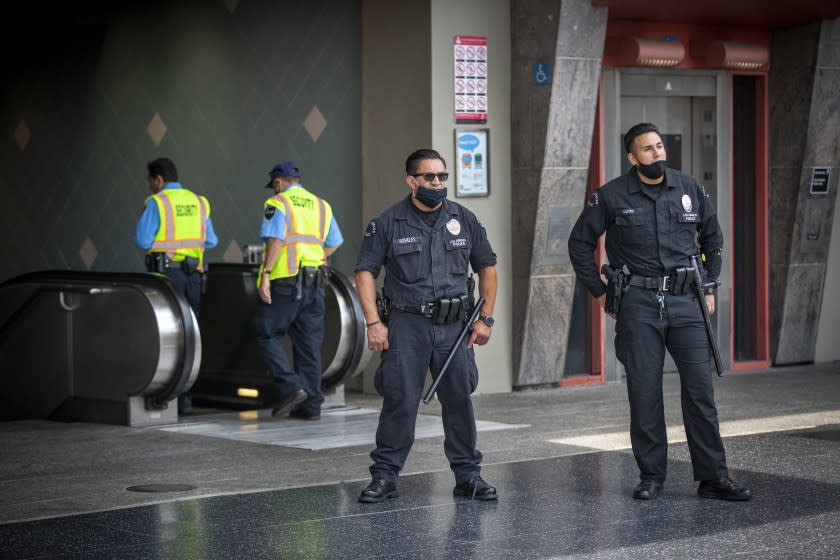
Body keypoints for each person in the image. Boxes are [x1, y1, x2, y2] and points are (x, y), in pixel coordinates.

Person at [568, 123, 752, 502]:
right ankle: (651, 476)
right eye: (647, 150)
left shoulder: (689, 188)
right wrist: (600, 293)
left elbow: (713, 240)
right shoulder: (611, 196)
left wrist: (710, 283)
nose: (657, 154)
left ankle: (714, 478)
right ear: (632, 158)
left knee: (700, 392)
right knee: (644, 392)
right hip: (638, 305)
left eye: (659, 146)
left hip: (688, 303)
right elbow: (579, 245)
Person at [355, 148, 498, 503]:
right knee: (400, 400)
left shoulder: (463, 218)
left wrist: (485, 318)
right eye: (430, 177)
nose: (438, 183)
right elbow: (365, 273)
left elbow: (487, 268)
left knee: (458, 400)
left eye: (442, 177)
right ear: (411, 181)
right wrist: (373, 322)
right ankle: (385, 477)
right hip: (406, 325)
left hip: (455, 326)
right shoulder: (388, 222)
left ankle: (468, 477)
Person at [253, 161, 343, 421]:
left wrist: (266, 274)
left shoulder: (279, 203)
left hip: (286, 281)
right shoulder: (321, 205)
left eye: (274, 186)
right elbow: (335, 242)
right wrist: (317, 256)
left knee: (265, 331)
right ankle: (311, 406)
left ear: (279, 183)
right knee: (308, 345)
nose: (274, 191)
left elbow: (276, 240)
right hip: (316, 282)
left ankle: (291, 387)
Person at [135, 157, 218, 316]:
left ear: (159, 180)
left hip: (166, 276)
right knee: (192, 326)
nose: (149, 186)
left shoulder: (157, 202)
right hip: (195, 277)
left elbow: (143, 240)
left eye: (150, 181)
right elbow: (211, 240)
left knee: (169, 326)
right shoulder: (199, 201)